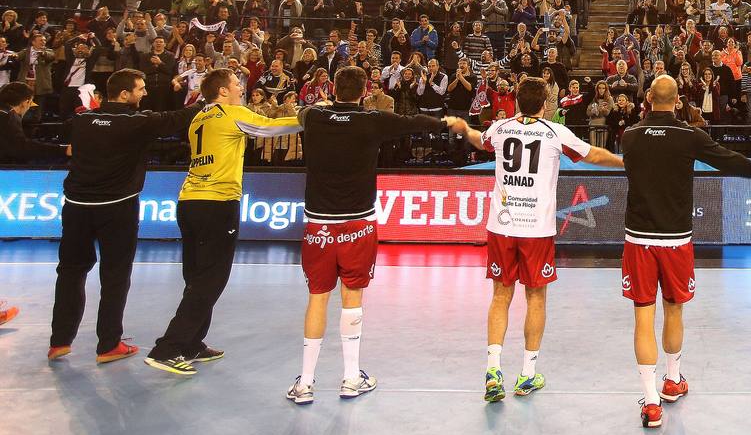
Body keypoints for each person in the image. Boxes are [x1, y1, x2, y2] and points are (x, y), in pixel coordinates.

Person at [285, 66, 456, 404]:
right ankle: (350, 378)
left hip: (318, 222)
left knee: (318, 297)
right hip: (358, 224)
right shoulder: (372, 120)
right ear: (364, 92)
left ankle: (305, 382)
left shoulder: (314, 118)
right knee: (352, 298)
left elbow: (302, 110)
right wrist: (447, 123)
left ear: (333, 87)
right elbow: (415, 122)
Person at [617, 74, 751, 429]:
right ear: (678, 101)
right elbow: (728, 160)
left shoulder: (629, 137)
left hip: (639, 240)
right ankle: (672, 379)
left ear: (646, 100)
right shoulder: (690, 136)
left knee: (643, 317)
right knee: (674, 312)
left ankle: (651, 401)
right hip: (676, 240)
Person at [451, 77, 623, 403]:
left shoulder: (501, 128)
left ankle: (492, 370)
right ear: (546, 104)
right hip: (536, 230)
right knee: (536, 298)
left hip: (501, 227)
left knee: (500, 296)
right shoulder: (554, 132)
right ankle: (528, 375)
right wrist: (625, 162)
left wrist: (463, 128)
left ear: (516, 101)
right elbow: (593, 155)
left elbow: (477, 139)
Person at [145, 69, 304, 375]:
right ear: (221, 92)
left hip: (189, 201)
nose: (240, 88)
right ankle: (168, 348)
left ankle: (192, 342)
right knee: (211, 279)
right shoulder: (231, 114)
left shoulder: (199, 118)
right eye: (235, 84)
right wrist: (308, 117)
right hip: (218, 202)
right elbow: (271, 127)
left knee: (196, 276)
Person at [48, 70, 203, 363]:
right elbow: (175, 118)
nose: (144, 93)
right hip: (117, 209)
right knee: (115, 275)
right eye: (141, 89)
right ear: (124, 95)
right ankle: (108, 345)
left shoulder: (81, 121)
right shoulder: (136, 123)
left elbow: (78, 128)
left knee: (70, 272)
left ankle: (59, 342)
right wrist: (203, 102)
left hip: (76, 207)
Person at [0, 82, 68, 329]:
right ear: (25, 102)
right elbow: (21, 148)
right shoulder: (8, 118)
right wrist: (62, 150)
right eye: (30, 103)